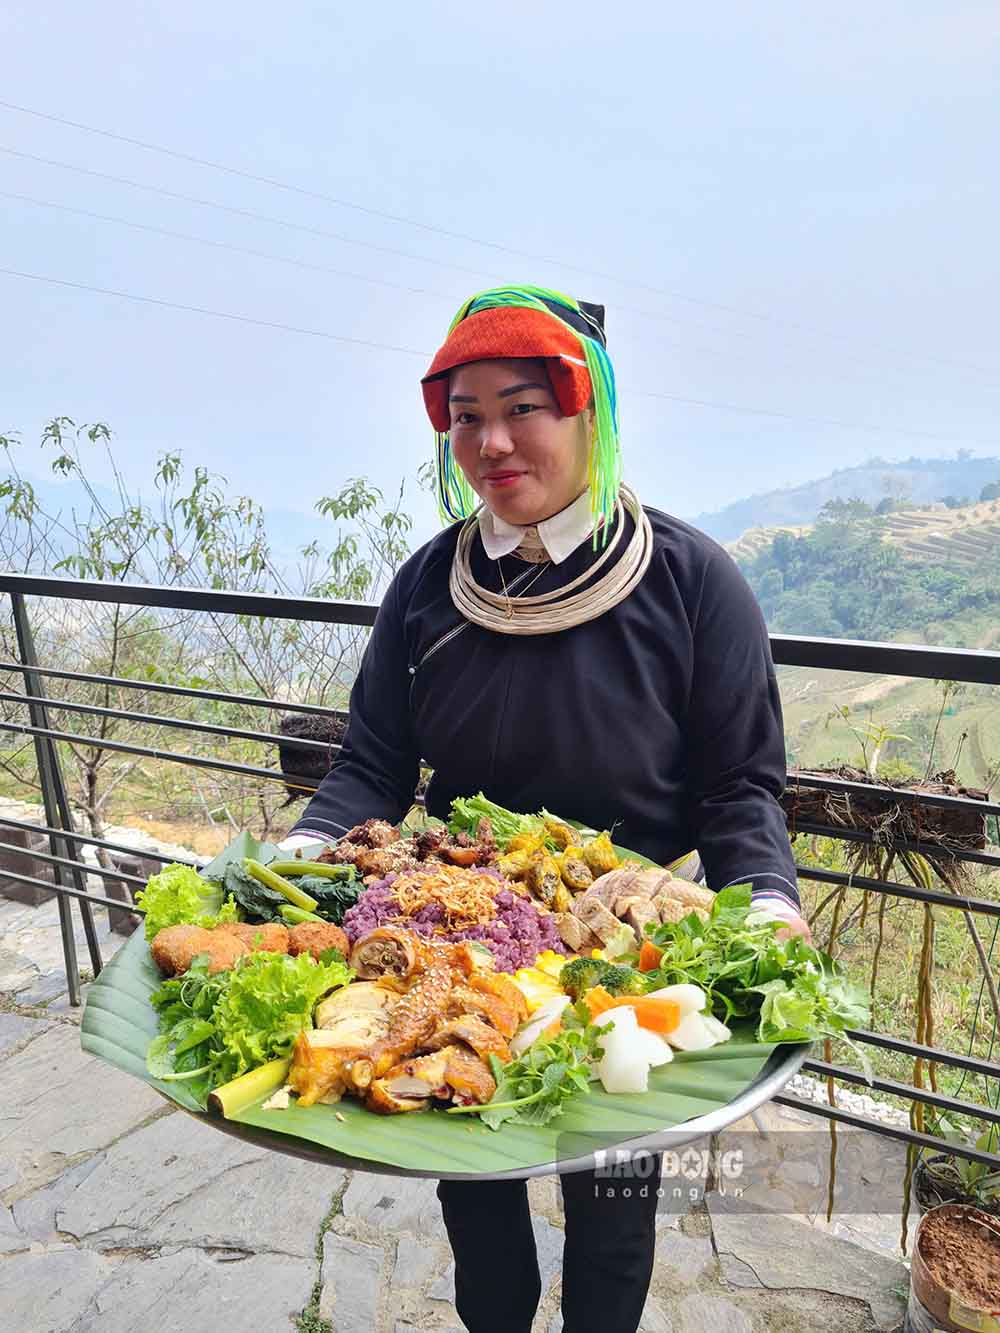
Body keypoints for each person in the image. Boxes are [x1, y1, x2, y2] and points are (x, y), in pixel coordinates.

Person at [279, 284, 809, 1333]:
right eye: (466, 414)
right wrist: (297, 855)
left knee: (612, 1216)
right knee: (475, 1197)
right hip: (455, 960)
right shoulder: (429, 585)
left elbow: (740, 784)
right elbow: (375, 764)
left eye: (524, 406)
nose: (491, 441)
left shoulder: (694, 584)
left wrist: (763, 900)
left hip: (628, 968)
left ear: (589, 414)